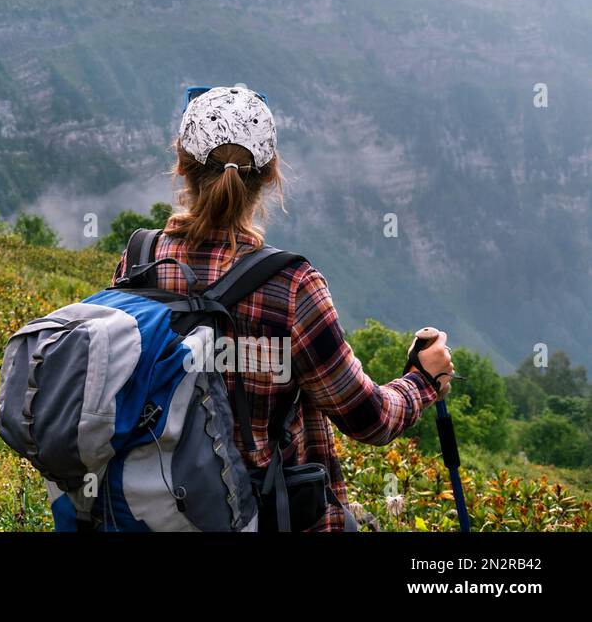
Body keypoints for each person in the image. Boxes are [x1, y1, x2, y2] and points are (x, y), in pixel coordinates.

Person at [114, 85, 454, 531]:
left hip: (151, 512)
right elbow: (368, 419)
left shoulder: (141, 260)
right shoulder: (291, 285)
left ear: (181, 165)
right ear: (271, 174)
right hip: (262, 516)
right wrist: (423, 380)